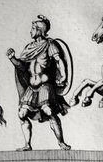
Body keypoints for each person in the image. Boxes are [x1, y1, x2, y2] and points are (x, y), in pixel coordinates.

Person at [7, 15, 71, 150]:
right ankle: (27, 145)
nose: (30, 31)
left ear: (40, 30)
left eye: (33, 28)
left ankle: (61, 142)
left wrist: (64, 76)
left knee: (48, 111)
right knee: (22, 114)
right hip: (32, 87)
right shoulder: (29, 47)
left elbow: (59, 60)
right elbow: (22, 66)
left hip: (45, 86)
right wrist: (12, 58)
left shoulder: (49, 44)